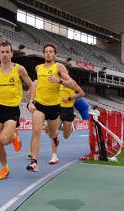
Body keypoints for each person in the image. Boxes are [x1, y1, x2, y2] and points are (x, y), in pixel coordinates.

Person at [0, 42, 33, 180]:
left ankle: (14, 136)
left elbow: (31, 84)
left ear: (11, 53)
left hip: (12, 109)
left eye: (7, 52)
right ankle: (5, 168)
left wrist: (30, 98)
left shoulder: (19, 69)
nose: (4, 54)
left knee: (4, 140)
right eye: (2, 52)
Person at [26, 43, 75, 172]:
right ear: (43, 54)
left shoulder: (59, 67)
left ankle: (55, 138)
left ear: (55, 54)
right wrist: (31, 101)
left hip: (54, 106)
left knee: (52, 133)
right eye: (46, 51)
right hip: (39, 104)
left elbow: (71, 84)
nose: (48, 53)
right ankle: (34, 162)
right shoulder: (38, 68)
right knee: (36, 131)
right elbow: (36, 86)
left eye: (50, 51)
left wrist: (59, 81)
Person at [47, 76, 85, 164]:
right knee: (54, 132)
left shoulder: (72, 82)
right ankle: (54, 156)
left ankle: (70, 128)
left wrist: (70, 98)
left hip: (68, 110)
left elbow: (82, 93)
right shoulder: (56, 81)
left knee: (66, 136)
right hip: (57, 109)